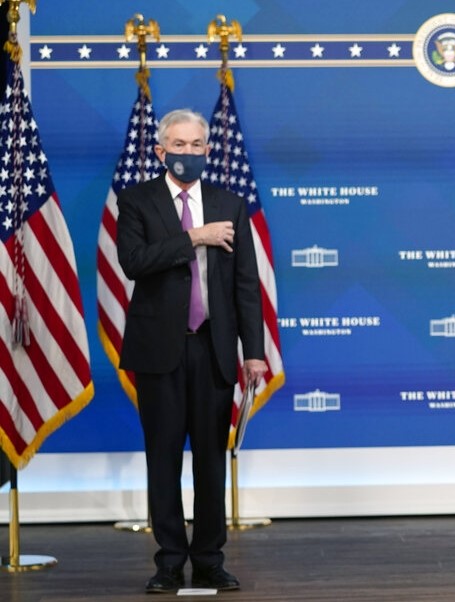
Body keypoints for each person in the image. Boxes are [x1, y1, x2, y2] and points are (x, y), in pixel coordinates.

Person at [117, 108, 267, 593]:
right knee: (162, 459)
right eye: (178, 145)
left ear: (208, 149)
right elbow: (133, 262)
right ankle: (167, 563)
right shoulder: (138, 201)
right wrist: (194, 238)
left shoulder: (230, 202)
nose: (188, 153)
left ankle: (208, 560)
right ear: (161, 151)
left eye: (196, 144)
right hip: (160, 350)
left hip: (215, 350)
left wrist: (254, 352)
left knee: (209, 461)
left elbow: (247, 286)